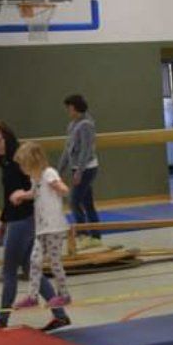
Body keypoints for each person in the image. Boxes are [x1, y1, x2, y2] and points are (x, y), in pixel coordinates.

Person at [0, 121, 70, 330]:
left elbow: (37, 186)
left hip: (24, 219)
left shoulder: (19, 160)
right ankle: (60, 315)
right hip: (19, 218)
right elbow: (9, 196)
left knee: (9, 270)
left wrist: (29, 197)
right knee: (30, 268)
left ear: (7, 138)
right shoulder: (7, 162)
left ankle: (1, 318)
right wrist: (3, 220)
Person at [12, 141, 72, 309]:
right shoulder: (35, 178)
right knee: (35, 261)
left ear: (33, 162)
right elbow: (34, 193)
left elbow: (63, 188)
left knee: (55, 262)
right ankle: (32, 297)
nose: (21, 168)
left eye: (23, 164)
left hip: (54, 227)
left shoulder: (48, 173)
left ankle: (64, 295)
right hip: (42, 228)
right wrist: (21, 195)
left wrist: (60, 188)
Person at [56, 94, 102, 248]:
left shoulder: (86, 125)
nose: (68, 111)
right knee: (87, 203)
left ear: (75, 108)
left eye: (69, 108)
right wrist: (59, 170)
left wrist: (80, 171)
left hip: (87, 168)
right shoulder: (72, 125)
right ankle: (95, 237)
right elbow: (68, 149)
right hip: (77, 168)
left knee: (74, 201)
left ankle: (83, 235)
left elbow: (86, 151)